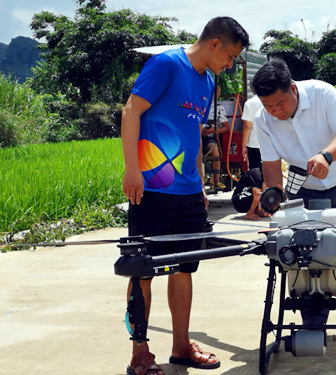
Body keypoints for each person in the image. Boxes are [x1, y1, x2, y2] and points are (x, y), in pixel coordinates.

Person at [121, 16, 249, 375]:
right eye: (230, 57)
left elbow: (191, 132)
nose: (230, 65)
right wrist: (132, 170)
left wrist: (201, 184)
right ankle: (141, 352)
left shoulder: (208, 80)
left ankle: (180, 345)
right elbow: (131, 111)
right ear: (214, 45)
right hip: (152, 187)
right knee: (141, 271)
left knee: (184, 267)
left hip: (188, 190)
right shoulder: (166, 64)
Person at [251, 58, 336, 337]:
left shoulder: (323, 93)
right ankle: (313, 316)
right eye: (268, 107)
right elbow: (272, 167)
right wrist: (274, 197)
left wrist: (326, 156)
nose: (276, 112)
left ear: (293, 89)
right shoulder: (263, 120)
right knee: (305, 251)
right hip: (304, 189)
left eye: (280, 104)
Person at [202, 84, 230, 191]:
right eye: (216, 91)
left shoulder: (219, 108)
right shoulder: (199, 104)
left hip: (209, 137)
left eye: (219, 91)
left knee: (214, 150)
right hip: (195, 136)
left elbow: (226, 127)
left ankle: (216, 179)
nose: (217, 94)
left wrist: (214, 130)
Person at [241, 88, 264, 170]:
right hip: (270, 143)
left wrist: (243, 146)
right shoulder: (271, 100)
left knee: (256, 172)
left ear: (251, 89)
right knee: (270, 173)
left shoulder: (249, 103)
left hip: (254, 143)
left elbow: (247, 126)